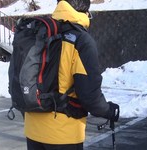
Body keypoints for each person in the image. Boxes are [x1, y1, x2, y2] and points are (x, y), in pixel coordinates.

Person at [24, 0, 120, 150]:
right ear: (86, 12)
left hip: (33, 130)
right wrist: (108, 110)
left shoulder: (43, 31)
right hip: (63, 133)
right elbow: (89, 95)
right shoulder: (81, 40)